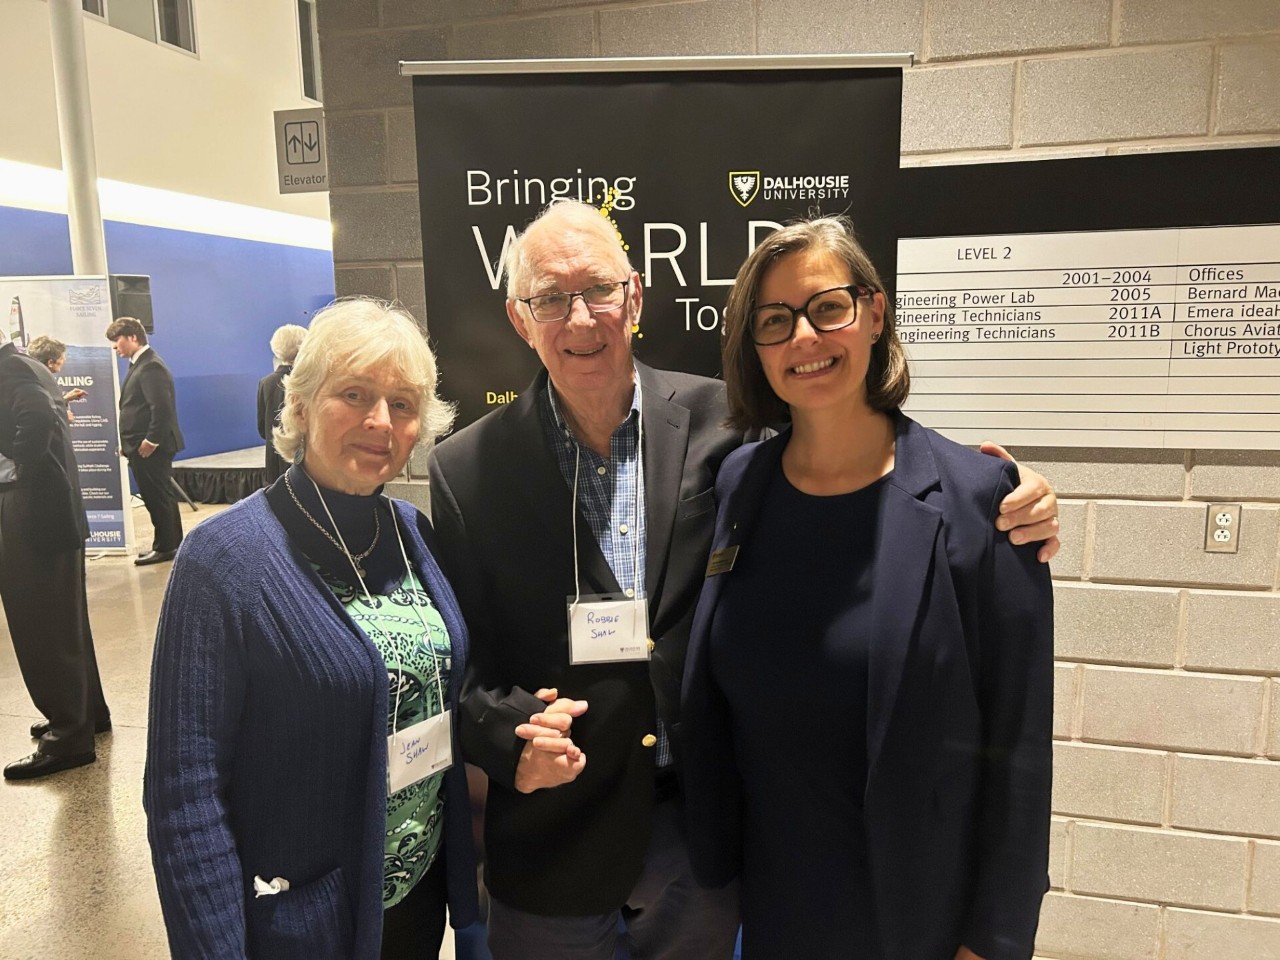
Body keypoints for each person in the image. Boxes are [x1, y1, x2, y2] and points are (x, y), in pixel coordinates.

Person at [427, 200, 1060, 960]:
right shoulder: (464, 471)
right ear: (519, 318)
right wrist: (508, 741)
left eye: (597, 289)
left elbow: (876, 470)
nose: (580, 317)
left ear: (634, 296)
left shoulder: (731, 432)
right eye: (551, 298)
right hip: (556, 847)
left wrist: (1015, 492)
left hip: (705, 844)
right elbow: (456, 671)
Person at [680, 216, 1054, 960]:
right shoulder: (739, 485)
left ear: (875, 312)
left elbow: (1019, 746)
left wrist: (992, 941)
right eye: (775, 321)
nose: (805, 339)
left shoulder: (979, 502)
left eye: (828, 308)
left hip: (916, 912)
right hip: (773, 900)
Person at [143, 298, 478, 958]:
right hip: (304, 922)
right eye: (353, 394)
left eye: (403, 404)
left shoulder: (413, 534)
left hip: (414, 899)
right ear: (299, 405)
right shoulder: (222, 562)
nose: (380, 421)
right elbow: (185, 797)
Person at [0, 329, 110, 779]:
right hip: (51, 512)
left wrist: (15, 451)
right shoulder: (25, 365)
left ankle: (68, 737)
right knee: (65, 625)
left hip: (33, 516)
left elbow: (39, 420)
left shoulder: (9, 372)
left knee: (39, 625)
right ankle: (86, 714)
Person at [105, 317, 185, 565]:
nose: (115, 347)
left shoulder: (151, 366)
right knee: (157, 496)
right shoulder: (139, 364)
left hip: (150, 449)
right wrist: (127, 442)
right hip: (140, 447)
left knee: (158, 497)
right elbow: (137, 409)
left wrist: (151, 440)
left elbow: (160, 408)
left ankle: (166, 547)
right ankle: (170, 544)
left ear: (132, 337)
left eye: (117, 341)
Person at [257, 323, 307, 484]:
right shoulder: (308, 381)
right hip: (303, 456)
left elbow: (262, 427)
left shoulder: (265, 383)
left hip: (275, 456)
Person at [27, 335, 87, 421]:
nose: (65, 360)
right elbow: (37, 417)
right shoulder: (37, 385)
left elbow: (44, 406)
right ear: (50, 362)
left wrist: (65, 399)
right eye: (62, 358)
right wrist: (62, 417)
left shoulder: (32, 380)